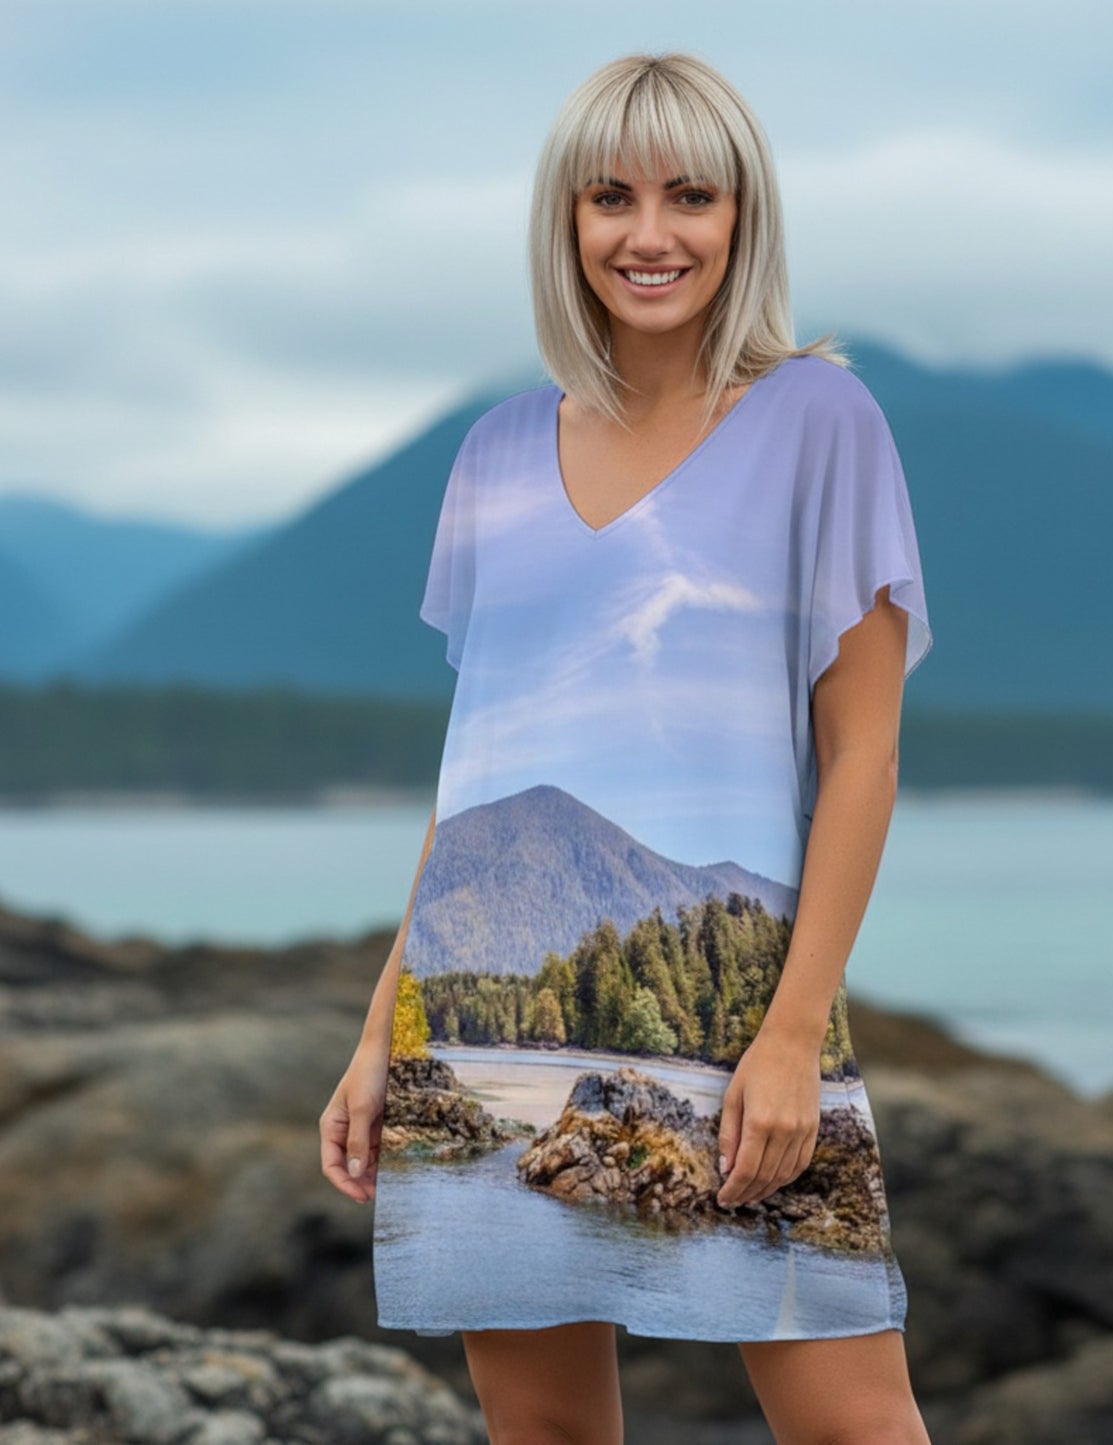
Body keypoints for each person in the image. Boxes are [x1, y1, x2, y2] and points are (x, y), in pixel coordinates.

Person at [321, 50, 934, 1445]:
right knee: (538, 1431)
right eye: (609, 197)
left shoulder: (819, 421)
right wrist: (379, 1037)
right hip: (473, 1026)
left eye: (687, 196)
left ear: (742, 216)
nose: (647, 234)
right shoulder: (489, 452)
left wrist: (787, 1039)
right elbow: (467, 783)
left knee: (853, 1419)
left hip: (743, 1018)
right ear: (565, 221)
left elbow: (862, 759)